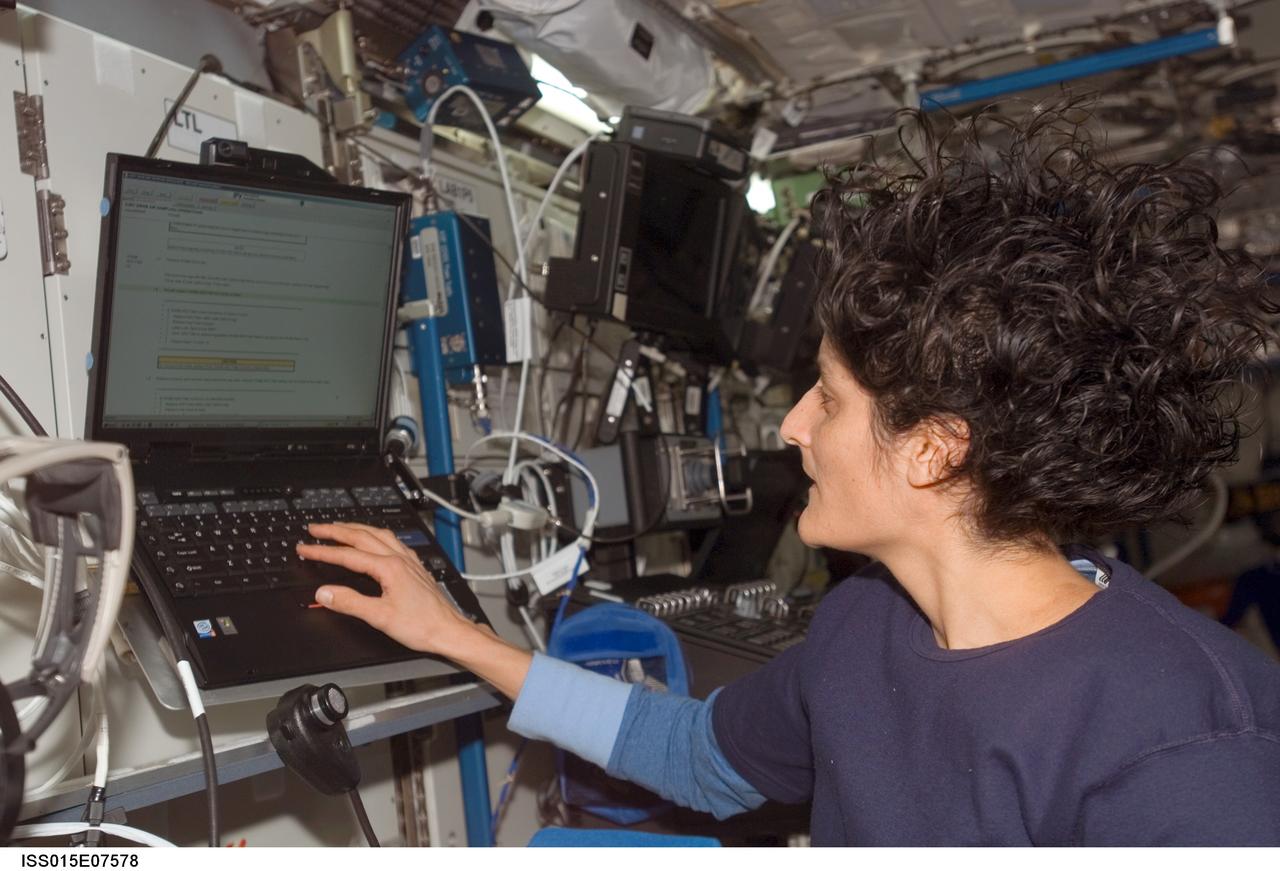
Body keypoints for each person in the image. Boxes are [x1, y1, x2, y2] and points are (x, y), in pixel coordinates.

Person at [297, 104, 1280, 845]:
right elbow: (691, 753)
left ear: (936, 447)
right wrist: (454, 636)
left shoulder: (1185, 737)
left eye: (828, 397)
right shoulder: (864, 626)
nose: (794, 427)